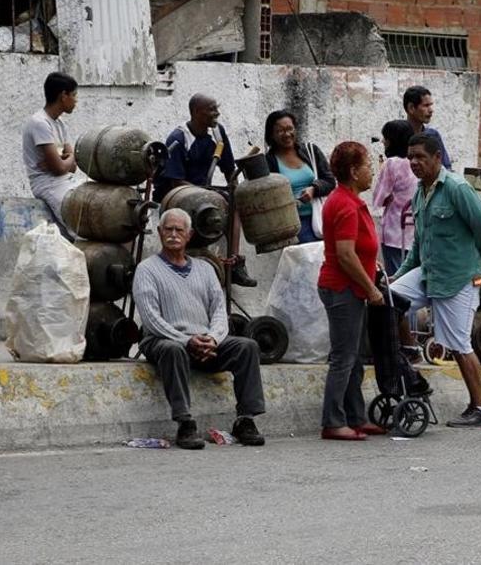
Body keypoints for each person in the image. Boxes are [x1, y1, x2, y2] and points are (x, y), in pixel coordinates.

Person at [133, 208, 266, 450]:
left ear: (190, 234)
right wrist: (187, 340)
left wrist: (213, 339)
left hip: (203, 341)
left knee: (247, 347)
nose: (173, 234)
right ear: (160, 233)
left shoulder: (205, 270)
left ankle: (246, 419)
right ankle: (185, 423)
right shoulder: (147, 269)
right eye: (168, 229)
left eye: (179, 230)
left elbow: (218, 311)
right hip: (163, 340)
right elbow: (151, 319)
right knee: (172, 350)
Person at [391, 133, 481, 427]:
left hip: (458, 279)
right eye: (410, 157)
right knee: (388, 299)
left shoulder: (456, 188)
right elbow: (418, 244)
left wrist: (475, 261)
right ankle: (410, 348)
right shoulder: (420, 192)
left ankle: (480, 408)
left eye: (420, 157)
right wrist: (398, 274)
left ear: (437, 157)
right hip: (428, 273)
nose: (414, 162)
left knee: (460, 345)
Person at [317, 141, 391, 441]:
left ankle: (355, 416)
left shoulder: (350, 201)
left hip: (352, 289)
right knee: (343, 357)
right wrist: (370, 287)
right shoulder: (344, 204)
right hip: (343, 289)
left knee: (355, 357)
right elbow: (346, 255)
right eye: (367, 166)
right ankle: (333, 420)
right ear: (352, 171)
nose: (371, 171)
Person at [154, 94, 255, 287]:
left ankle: (235, 263)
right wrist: (208, 195)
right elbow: (175, 182)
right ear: (195, 112)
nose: (216, 113)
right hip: (177, 194)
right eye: (211, 109)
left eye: (216, 108)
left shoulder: (217, 133)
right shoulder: (179, 137)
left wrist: (236, 192)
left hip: (204, 192)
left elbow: (228, 168)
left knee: (233, 207)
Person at [22, 71, 82, 233]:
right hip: (48, 184)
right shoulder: (40, 123)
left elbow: (73, 166)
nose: (76, 101)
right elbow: (59, 168)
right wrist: (65, 160)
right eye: (74, 95)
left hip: (66, 181)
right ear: (64, 96)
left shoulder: (59, 123)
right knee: (80, 226)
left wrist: (65, 159)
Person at [263, 110, 335, 244]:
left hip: (321, 217)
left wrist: (314, 189)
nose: (287, 134)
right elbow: (268, 196)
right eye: (280, 131)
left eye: (290, 129)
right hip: (294, 225)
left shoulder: (310, 151)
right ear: (271, 135)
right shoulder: (269, 161)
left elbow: (330, 180)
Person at [373, 119, 419, 277]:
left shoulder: (391, 164)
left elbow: (378, 199)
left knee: (397, 282)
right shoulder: (416, 163)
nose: (383, 141)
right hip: (415, 232)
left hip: (394, 232)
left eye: (385, 138)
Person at [402, 85, 452, 170]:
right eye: (426, 105)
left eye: (430, 105)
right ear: (411, 108)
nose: (431, 110)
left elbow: (446, 168)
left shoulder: (432, 136)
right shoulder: (398, 136)